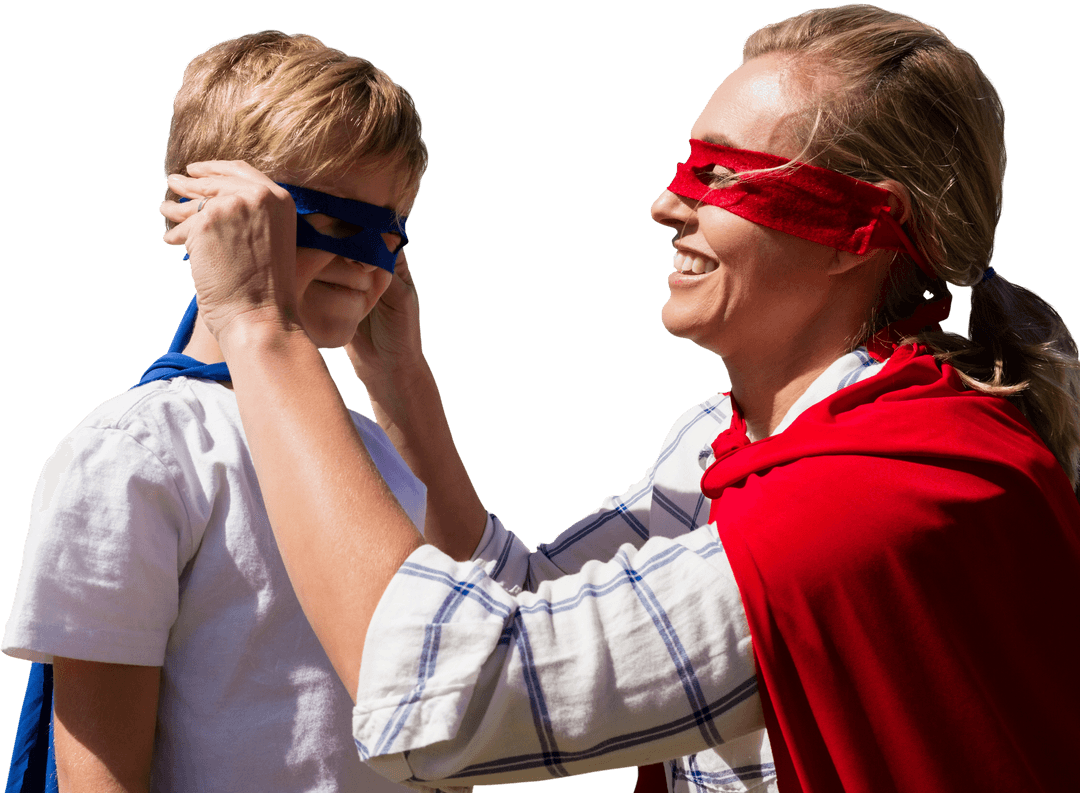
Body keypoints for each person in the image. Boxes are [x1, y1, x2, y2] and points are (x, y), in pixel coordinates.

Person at [168, 5, 1080, 792]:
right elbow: (529, 601)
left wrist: (261, 326)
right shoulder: (728, 441)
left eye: (721, 177)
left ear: (856, 232)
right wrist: (398, 377)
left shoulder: (883, 493)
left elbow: (440, 699)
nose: (666, 205)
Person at [2, 30, 432, 793]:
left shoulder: (375, 457)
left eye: (391, 228)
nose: (368, 260)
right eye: (333, 221)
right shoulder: (140, 450)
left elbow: (451, 692)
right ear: (213, 214)